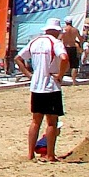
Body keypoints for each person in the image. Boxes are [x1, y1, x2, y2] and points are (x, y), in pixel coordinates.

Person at [16, 20, 69, 161]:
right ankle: (50, 155)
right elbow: (64, 58)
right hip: (50, 86)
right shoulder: (55, 43)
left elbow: (18, 58)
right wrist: (60, 76)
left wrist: (29, 75)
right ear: (56, 31)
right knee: (52, 122)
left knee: (35, 121)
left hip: (36, 86)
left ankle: (30, 154)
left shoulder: (35, 41)